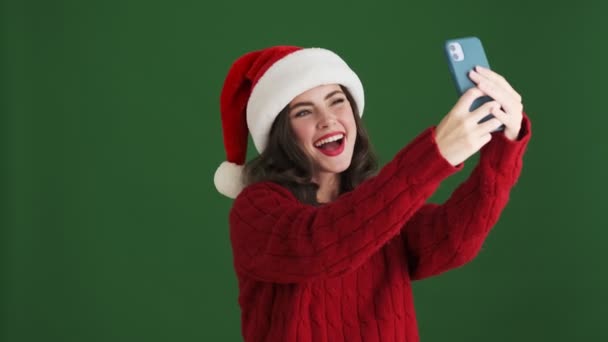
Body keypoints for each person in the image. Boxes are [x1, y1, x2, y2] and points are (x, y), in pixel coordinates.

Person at [214, 45, 531, 342]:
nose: (328, 120)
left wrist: (504, 148)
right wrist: (435, 155)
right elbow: (323, 246)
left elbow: (453, 242)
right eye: (303, 112)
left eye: (337, 101)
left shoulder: (378, 206)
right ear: (281, 135)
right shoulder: (256, 209)